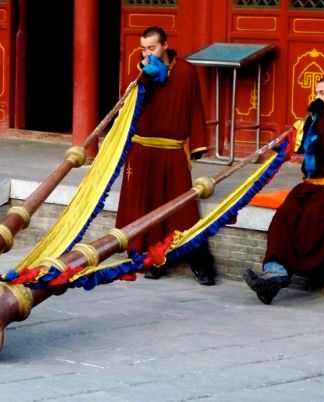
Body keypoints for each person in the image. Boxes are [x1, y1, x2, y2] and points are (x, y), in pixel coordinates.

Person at [244, 76, 324, 304]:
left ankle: (290, 273)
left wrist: (322, 120)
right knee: (284, 215)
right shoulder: (315, 120)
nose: (318, 98)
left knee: (313, 217)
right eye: (316, 93)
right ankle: (274, 270)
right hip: (311, 185)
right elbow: (300, 148)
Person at [115, 26, 217, 286]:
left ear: (165, 46)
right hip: (142, 151)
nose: (147, 53)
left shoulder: (185, 71)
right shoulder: (139, 72)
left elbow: (195, 108)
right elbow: (126, 104)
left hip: (172, 150)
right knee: (146, 206)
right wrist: (144, 78)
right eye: (143, 49)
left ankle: (201, 264)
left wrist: (198, 144)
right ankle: (153, 260)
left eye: (152, 48)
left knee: (184, 210)